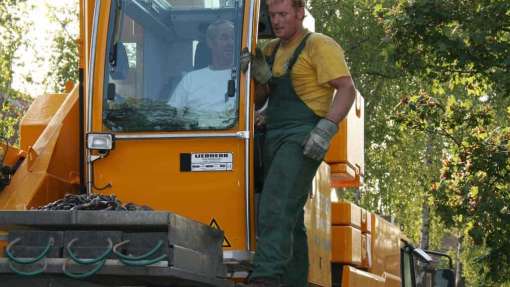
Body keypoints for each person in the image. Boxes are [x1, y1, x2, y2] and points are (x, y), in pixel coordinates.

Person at [245, 0, 357, 286]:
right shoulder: (269, 50)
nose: (277, 21)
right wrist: (257, 77)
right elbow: (260, 100)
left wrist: (326, 129)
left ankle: (265, 278)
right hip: (273, 137)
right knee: (291, 220)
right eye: (273, 15)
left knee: (276, 204)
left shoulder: (318, 45)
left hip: (303, 137)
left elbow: (347, 89)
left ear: (300, 13)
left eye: (283, 14)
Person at [167, 20, 235, 126]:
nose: (230, 43)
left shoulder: (244, 76)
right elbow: (171, 115)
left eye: (233, 38)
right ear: (211, 43)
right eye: (224, 38)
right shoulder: (190, 79)